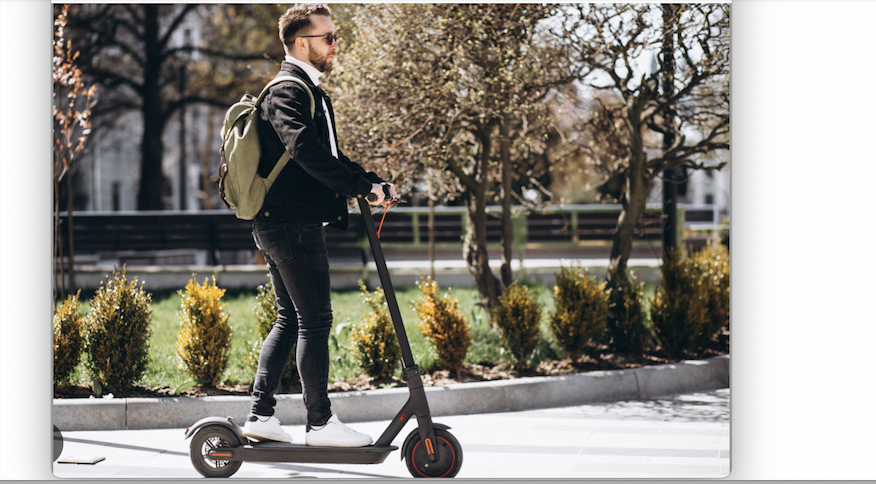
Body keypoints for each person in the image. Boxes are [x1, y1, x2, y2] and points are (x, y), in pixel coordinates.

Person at [242, 3, 397, 447]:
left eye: (334, 36)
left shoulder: (307, 90)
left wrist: (369, 183)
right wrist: (356, 187)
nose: (335, 43)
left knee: (290, 318)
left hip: (283, 223)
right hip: (290, 225)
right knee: (314, 320)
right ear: (300, 42)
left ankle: (261, 416)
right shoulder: (287, 91)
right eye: (328, 37)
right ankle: (320, 424)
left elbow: (327, 154)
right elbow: (306, 151)